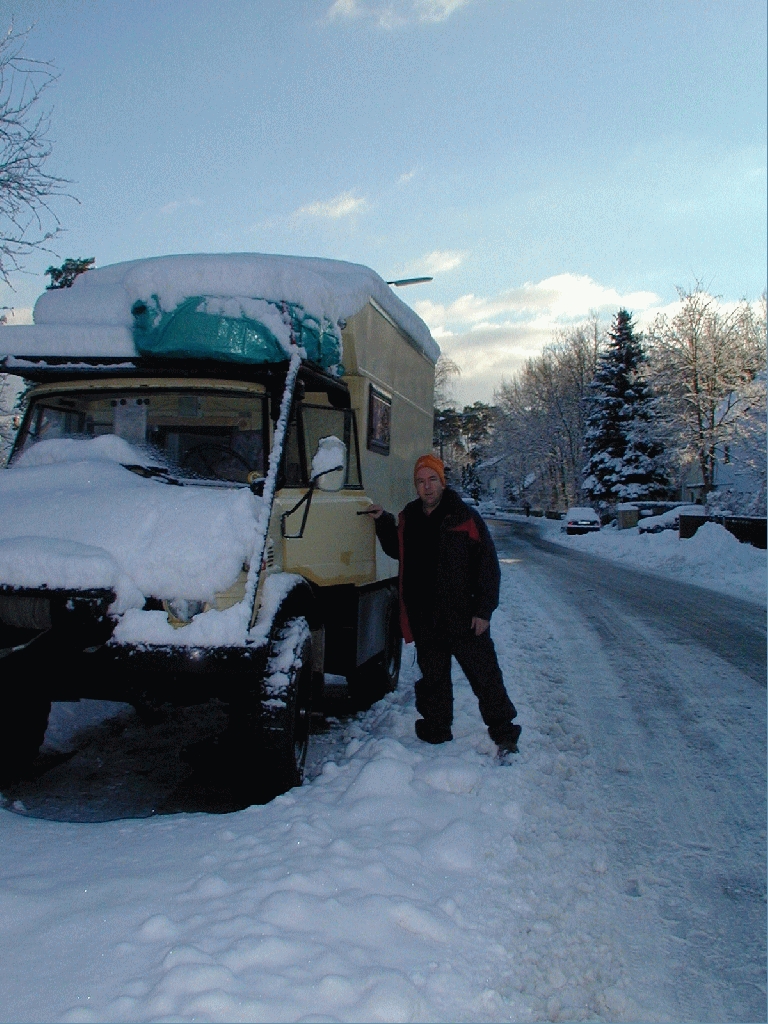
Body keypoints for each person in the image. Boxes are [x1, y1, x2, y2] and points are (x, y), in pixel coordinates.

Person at [365, 454, 520, 755]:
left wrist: (484, 611)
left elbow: (488, 566)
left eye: (432, 479)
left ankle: (505, 734)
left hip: (465, 617)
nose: (427, 487)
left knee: (486, 678)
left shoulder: (465, 517)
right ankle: (436, 730)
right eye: (421, 481)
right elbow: (398, 551)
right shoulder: (410, 517)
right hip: (427, 617)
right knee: (433, 680)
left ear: (442, 481)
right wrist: (383, 520)